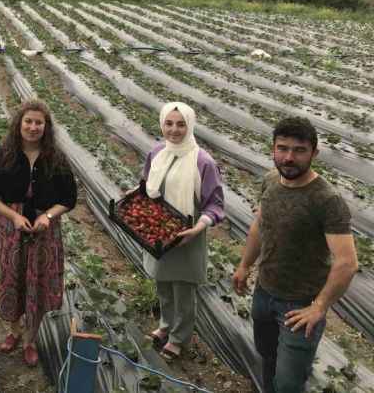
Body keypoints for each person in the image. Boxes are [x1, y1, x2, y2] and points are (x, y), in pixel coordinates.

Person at [232, 117, 358, 393]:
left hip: (299, 307)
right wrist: (244, 266)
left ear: (314, 153)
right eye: (282, 148)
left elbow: (347, 262)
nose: (289, 157)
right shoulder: (269, 181)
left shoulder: (326, 200)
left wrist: (319, 306)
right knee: (267, 357)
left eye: (299, 150)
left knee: (289, 383)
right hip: (264, 293)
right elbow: (259, 226)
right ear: (273, 149)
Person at [0, 100, 77, 367]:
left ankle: (30, 340)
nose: (33, 127)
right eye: (28, 122)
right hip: (12, 231)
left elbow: (69, 198)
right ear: (19, 124)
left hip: (45, 232)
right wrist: (13, 216)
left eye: (39, 123)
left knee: (40, 281)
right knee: (12, 279)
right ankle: (14, 331)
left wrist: (48, 215)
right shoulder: (4, 155)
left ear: (46, 127)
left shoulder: (55, 158)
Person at [141, 102, 225, 361]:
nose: (174, 130)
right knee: (163, 284)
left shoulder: (203, 162)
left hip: (188, 236)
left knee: (184, 291)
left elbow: (215, 205)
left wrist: (197, 228)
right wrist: (135, 196)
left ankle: (179, 338)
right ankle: (165, 326)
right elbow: (146, 186)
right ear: (161, 124)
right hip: (159, 232)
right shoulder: (157, 153)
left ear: (190, 126)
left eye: (181, 124)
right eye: (169, 123)